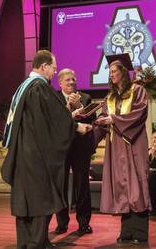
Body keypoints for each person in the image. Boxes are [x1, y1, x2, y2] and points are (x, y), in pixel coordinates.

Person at [0, 50, 92, 249]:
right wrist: (76, 126)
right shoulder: (39, 88)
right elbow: (54, 120)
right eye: (53, 67)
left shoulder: (22, 88)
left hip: (22, 152)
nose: (54, 71)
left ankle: (24, 242)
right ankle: (38, 242)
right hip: (37, 155)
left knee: (25, 199)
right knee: (42, 196)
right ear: (43, 66)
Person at [93, 53, 150, 245]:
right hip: (116, 148)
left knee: (137, 186)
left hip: (133, 144)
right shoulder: (110, 97)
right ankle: (126, 232)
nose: (111, 75)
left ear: (123, 72)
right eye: (109, 72)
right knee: (123, 188)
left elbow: (139, 113)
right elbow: (103, 120)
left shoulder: (138, 90)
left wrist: (113, 120)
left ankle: (140, 233)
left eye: (114, 71)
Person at [54, 69, 96, 235]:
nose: (71, 83)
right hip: (62, 148)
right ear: (60, 83)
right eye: (67, 80)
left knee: (82, 186)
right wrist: (69, 107)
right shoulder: (55, 99)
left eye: (73, 79)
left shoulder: (85, 98)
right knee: (60, 186)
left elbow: (92, 121)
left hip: (80, 148)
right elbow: (56, 121)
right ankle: (62, 223)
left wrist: (79, 106)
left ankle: (84, 223)